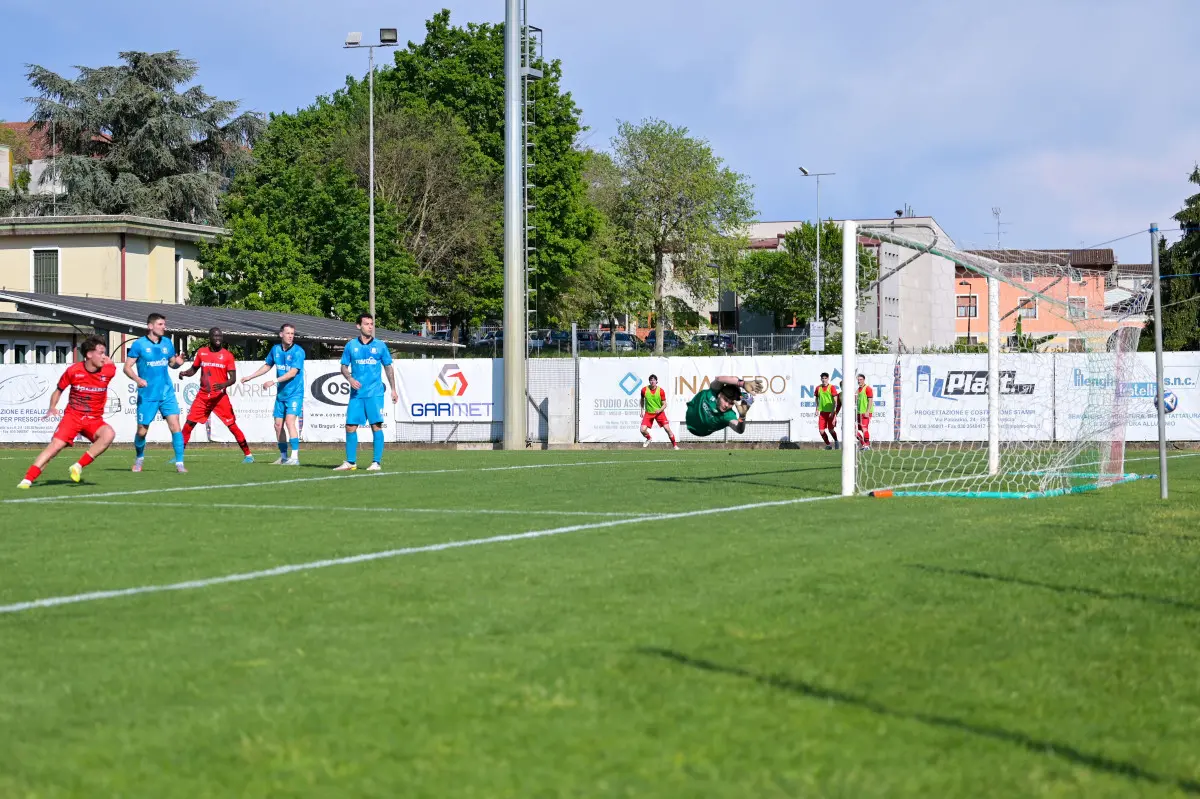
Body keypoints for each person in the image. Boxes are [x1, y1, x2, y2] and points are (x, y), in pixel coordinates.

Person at [18, 336, 117, 488]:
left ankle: (77, 466)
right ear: (89, 354)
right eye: (100, 353)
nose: (104, 357)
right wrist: (52, 407)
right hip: (73, 416)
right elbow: (58, 391)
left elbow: (110, 362)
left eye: (105, 353)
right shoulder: (73, 371)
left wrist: (104, 356)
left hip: (94, 419)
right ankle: (27, 480)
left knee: (108, 434)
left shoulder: (109, 370)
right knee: (55, 447)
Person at [178, 327, 253, 463]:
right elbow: (193, 369)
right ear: (210, 338)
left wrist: (223, 385)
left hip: (219, 398)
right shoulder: (202, 353)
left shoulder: (228, 355)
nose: (218, 339)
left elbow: (233, 378)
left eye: (220, 336)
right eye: (215, 336)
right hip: (203, 396)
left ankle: (248, 455)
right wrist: (184, 373)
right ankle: (178, 456)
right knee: (189, 424)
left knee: (232, 425)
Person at [124, 312, 187, 473]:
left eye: (164, 325)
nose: (164, 327)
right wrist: (138, 380)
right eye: (160, 324)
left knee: (175, 426)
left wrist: (178, 363)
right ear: (150, 326)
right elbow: (127, 367)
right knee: (142, 431)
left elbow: (172, 363)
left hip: (166, 392)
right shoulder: (139, 345)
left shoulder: (167, 342)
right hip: (148, 395)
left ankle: (180, 463)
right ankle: (139, 458)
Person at [334, 314, 398, 471]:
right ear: (359, 326)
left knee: (376, 425)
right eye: (367, 324)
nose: (370, 326)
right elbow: (343, 366)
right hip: (356, 395)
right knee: (350, 426)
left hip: (374, 393)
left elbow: (388, 367)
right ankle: (351, 462)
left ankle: (376, 462)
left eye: (372, 324)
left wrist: (393, 389)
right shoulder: (350, 346)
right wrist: (349, 378)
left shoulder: (380, 346)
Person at [241, 323, 306, 465]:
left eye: (292, 334)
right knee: (278, 425)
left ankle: (295, 458)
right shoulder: (275, 349)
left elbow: (292, 373)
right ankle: (283, 457)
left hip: (295, 393)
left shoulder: (298, 351)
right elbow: (267, 366)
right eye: (288, 333)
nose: (290, 336)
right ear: (281, 334)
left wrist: (274, 381)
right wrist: (250, 377)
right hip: (281, 394)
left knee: (290, 422)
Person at [684, 375, 765, 438]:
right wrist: (742, 383)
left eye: (731, 403)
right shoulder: (714, 391)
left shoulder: (727, 415)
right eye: (725, 400)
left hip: (698, 432)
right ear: (719, 394)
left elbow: (739, 430)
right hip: (689, 414)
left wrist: (742, 417)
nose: (727, 405)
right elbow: (719, 378)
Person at [639, 374, 678, 450]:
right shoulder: (644, 390)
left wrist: (659, 410)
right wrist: (642, 410)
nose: (652, 381)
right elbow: (642, 400)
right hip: (649, 413)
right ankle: (649, 438)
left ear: (656, 381)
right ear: (649, 381)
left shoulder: (661, 391)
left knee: (667, 429)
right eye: (651, 380)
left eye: (654, 380)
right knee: (642, 430)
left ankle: (675, 446)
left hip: (659, 413)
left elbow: (664, 404)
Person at [815, 371, 841, 450]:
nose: (824, 380)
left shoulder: (831, 387)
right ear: (821, 379)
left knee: (831, 430)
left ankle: (836, 441)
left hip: (831, 412)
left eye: (825, 378)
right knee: (821, 431)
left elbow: (835, 400)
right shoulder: (818, 388)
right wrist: (817, 409)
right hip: (822, 413)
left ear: (828, 379)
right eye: (822, 378)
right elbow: (816, 398)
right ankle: (828, 445)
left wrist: (833, 412)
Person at [855, 373, 874, 450]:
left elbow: (870, 400)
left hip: (865, 412)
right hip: (859, 413)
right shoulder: (858, 389)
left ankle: (867, 445)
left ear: (864, 380)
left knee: (864, 428)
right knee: (854, 430)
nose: (859, 381)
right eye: (858, 380)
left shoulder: (868, 388)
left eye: (861, 379)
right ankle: (864, 444)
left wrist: (867, 411)